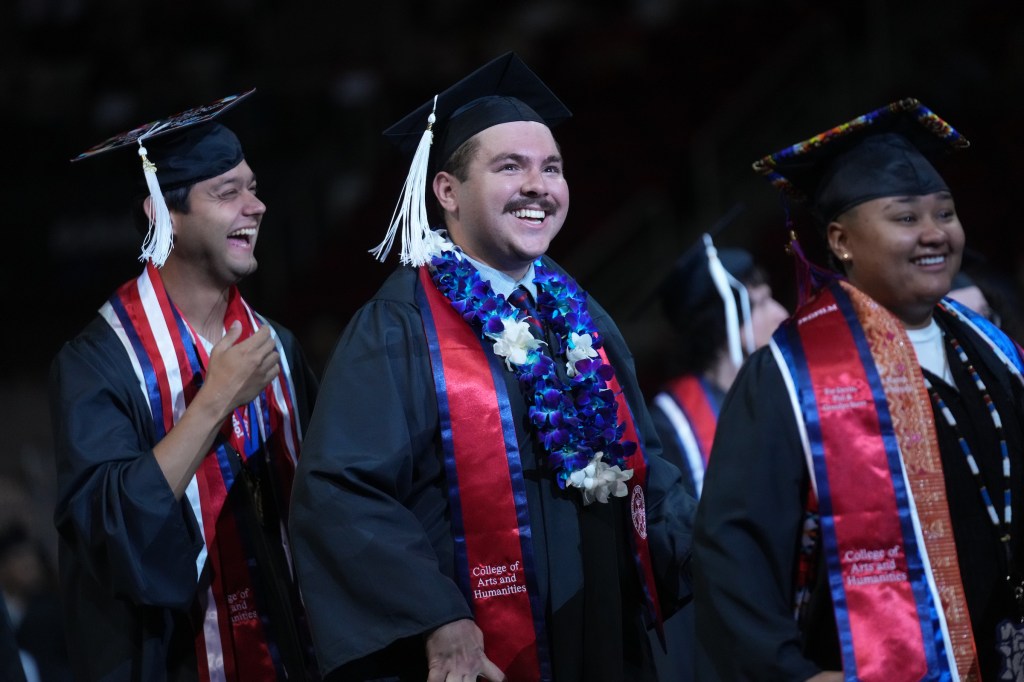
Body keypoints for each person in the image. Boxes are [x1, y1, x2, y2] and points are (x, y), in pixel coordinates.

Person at [288, 53, 695, 682]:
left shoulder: (578, 312)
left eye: (552, 168)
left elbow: (642, 458)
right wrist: (436, 618)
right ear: (447, 192)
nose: (539, 185)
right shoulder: (400, 325)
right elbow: (341, 491)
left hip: (605, 634)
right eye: (511, 167)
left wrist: (698, 548)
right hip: (484, 652)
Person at [694, 98, 1024, 681]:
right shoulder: (789, 376)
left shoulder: (992, 351)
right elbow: (733, 551)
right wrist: (791, 673)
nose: (934, 234)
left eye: (944, 214)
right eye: (905, 218)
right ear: (842, 240)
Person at [50, 91, 319, 681]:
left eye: (254, 186)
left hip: (291, 655)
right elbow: (110, 533)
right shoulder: (98, 363)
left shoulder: (278, 348)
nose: (258, 206)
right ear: (163, 214)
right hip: (168, 661)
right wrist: (215, 399)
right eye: (229, 193)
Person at [646, 229, 788, 682]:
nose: (781, 314)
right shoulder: (669, 425)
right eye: (760, 303)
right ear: (721, 320)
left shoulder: (783, 399)